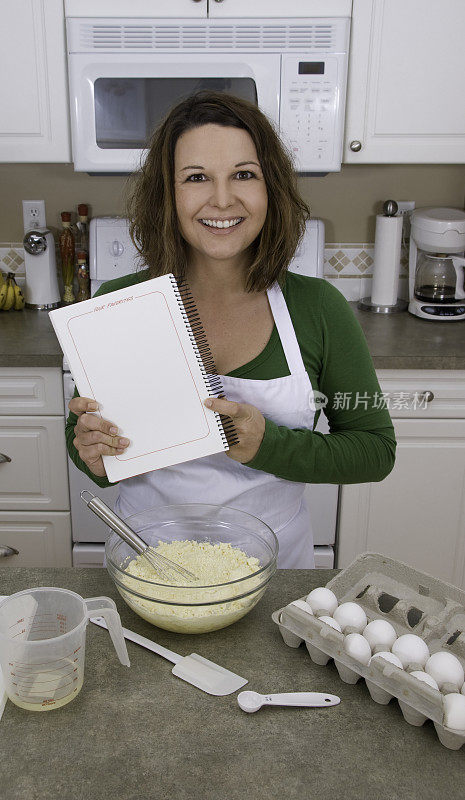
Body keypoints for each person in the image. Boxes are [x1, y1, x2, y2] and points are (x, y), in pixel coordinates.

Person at [66, 91, 396, 568]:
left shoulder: (318, 308)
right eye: (196, 178)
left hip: (275, 571)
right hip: (148, 567)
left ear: (271, 189)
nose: (222, 199)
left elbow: (373, 450)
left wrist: (269, 445)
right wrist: (91, 453)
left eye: (244, 174)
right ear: (169, 194)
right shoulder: (119, 303)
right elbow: (83, 439)